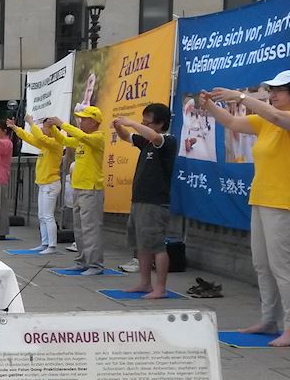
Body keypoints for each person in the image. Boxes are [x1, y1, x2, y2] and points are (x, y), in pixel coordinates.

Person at [201, 71, 290, 347]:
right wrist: (210, 106)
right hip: (262, 197)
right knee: (262, 264)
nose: (273, 95)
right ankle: (268, 320)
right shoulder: (266, 121)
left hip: (284, 199)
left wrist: (240, 96)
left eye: (279, 91)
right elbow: (231, 122)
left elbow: (278, 117)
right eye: (271, 90)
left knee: (281, 265)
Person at [112, 102, 178, 299]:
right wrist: (118, 126)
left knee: (156, 245)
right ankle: (144, 283)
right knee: (141, 244)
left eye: (147, 123)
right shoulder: (146, 142)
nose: (143, 125)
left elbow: (155, 137)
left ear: (160, 123)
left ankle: (160, 287)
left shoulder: (167, 141)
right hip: (139, 200)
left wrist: (131, 122)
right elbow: (126, 136)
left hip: (155, 203)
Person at [59, 106, 107, 274]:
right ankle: (82, 261)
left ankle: (95, 265)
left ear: (94, 121)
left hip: (91, 189)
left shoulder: (97, 138)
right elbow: (65, 141)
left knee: (91, 228)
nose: (81, 121)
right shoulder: (83, 140)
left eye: (84, 119)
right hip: (78, 188)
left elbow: (79, 136)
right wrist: (55, 128)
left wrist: (62, 124)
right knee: (79, 228)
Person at [11, 116, 66, 254]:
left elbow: (40, 138)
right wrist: (15, 128)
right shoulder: (45, 145)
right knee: (42, 216)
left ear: (53, 130)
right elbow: (30, 138)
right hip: (43, 184)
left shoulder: (55, 144)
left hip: (51, 184)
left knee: (48, 216)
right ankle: (45, 243)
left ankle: (52, 246)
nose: (41, 129)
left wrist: (30, 122)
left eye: (44, 127)